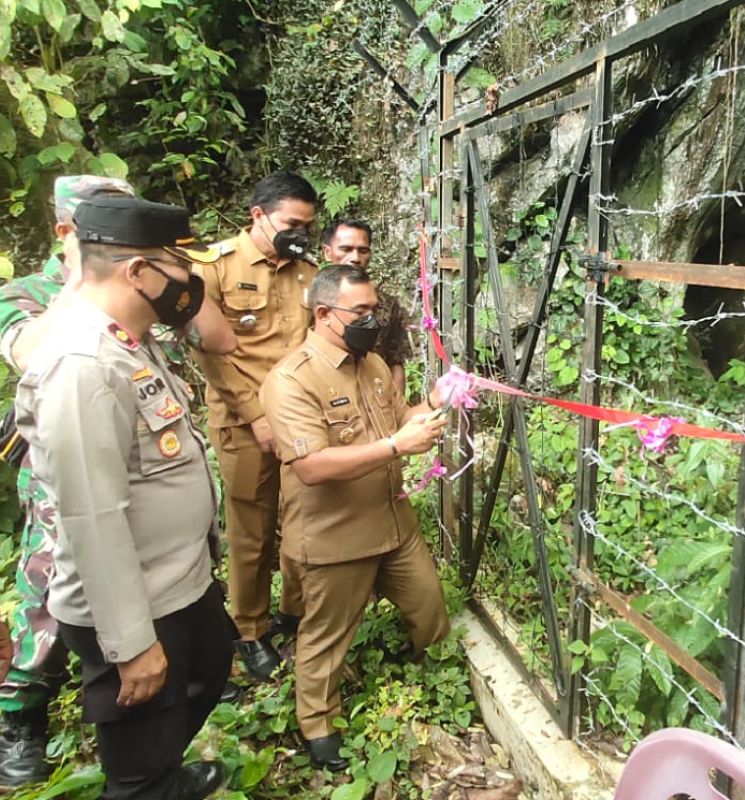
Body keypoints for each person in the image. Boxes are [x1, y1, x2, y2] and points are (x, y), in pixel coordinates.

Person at [0, 176, 236, 788]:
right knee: (139, 758)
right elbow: (92, 519)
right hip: (134, 603)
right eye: (177, 264)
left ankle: (164, 770)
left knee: (207, 669)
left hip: (172, 580)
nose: (189, 279)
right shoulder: (82, 365)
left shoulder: (128, 340)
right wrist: (131, 645)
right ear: (138, 271)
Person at [260, 265, 450, 770]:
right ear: (323, 314)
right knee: (326, 636)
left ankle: (432, 675)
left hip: (392, 521)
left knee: (429, 604)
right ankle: (318, 726)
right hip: (335, 536)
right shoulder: (290, 382)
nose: (373, 320)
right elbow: (312, 466)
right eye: (361, 312)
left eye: (375, 309)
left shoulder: (369, 365)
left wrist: (431, 403)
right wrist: (395, 445)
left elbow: (395, 420)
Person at [192, 171, 319, 680]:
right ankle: (249, 628)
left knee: (306, 520)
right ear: (258, 215)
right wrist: (257, 416)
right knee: (252, 530)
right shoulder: (215, 269)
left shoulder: (307, 271)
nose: (301, 235)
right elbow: (211, 356)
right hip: (243, 423)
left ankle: (293, 611)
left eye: (309, 226)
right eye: (292, 224)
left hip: (301, 421)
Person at [320, 219, 412, 388]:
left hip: (375, 400)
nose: (355, 258)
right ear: (327, 252)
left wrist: (395, 411)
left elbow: (395, 362)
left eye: (363, 251)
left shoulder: (387, 304)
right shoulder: (311, 301)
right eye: (346, 249)